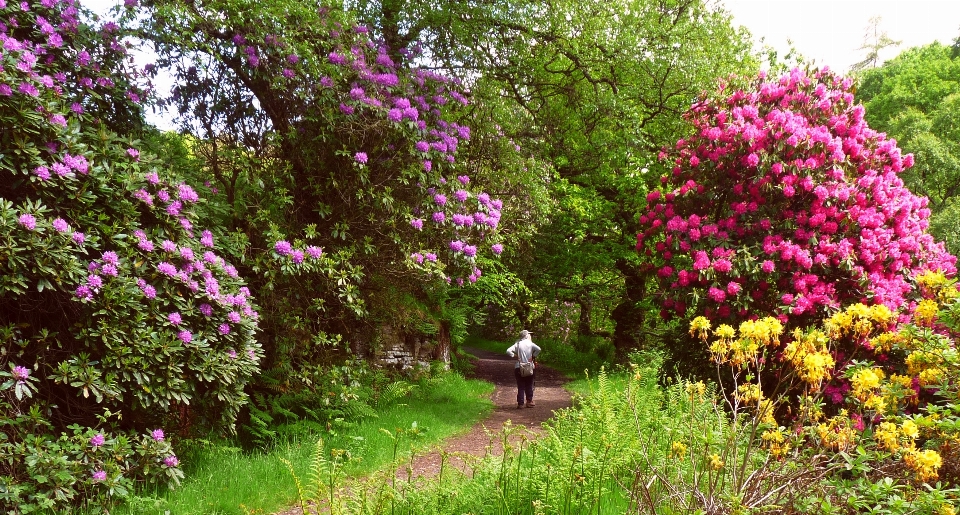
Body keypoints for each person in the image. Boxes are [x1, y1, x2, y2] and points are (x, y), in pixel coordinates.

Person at [506, 329, 541, 408]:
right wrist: (533, 356)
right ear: (526, 335)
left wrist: (514, 356)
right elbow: (539, 349)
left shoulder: (517, 344)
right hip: (529, 366)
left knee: (520, 386)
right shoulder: (530, 343)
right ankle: (529, 401)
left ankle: (520, 403)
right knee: (529, 384)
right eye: (529, 334)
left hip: (519, 366)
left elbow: (508, 351)